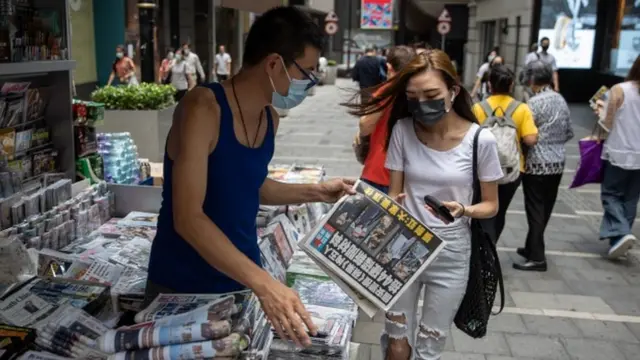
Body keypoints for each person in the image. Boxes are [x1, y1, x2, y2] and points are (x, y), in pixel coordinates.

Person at [145, 6, 352, 348]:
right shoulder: (203, 107)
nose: (310, 82)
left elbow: (251, 186)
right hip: (181, 286)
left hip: (238, 279)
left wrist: (318, 191)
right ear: (274, 64)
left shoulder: (270, 119)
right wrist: (265, 283)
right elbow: (188, 218)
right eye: (307, 72)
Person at [346, 49, 502, 359]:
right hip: (402, 246)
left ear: (453, 90)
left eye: (431, 94)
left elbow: (491, 205)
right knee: (396, 343)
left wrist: (465, 210)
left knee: (430, 347)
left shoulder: (480, 141)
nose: (422, 103)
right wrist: (390, 204)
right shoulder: (403, 130)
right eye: (413, 96)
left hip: (452, 252)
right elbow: (395, 192)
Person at [514, 60, 573, 271]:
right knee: (545, 208)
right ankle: (532, 246)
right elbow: (569, 133)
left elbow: (524, 135)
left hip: (537, 164)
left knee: (535, 209)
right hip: (558, 162)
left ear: (531, 79)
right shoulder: (561, 99)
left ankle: (538, 258)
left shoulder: (533, 104)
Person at [473, 65, 538, 242]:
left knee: (483, 207)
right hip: (512, 170)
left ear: (490, 84)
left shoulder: (478, 108)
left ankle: (481, 245)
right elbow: (530, 139)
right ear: (511, 85)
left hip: (481, 170)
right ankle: (492, 244)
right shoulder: (522, 109)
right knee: (499, 211)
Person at [594, 55, 640, 259]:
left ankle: (622, 232)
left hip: (619, 150)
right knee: (631, 198)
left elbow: (607, 122)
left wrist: (598, 113)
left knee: (611, 194)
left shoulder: (621, 90)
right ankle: (619, 241)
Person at [353, 45, 415, 194]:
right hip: (410, 178)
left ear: (389, 67)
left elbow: (365, 125)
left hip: (379, 173)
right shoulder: (418, 91)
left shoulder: (386, 91)